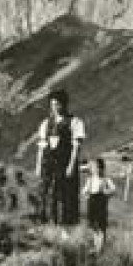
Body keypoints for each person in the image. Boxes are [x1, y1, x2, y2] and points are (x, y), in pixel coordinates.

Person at [34, 90, 86, 225]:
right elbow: (41, 147)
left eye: (57, 104)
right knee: (46, 192)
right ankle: (47, 223)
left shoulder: (74, 122)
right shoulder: (46, 123)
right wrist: (39, 165)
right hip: (49, 164)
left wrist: (71, 166)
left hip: (64, 164)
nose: (54, 107)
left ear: (64, 104)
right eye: (52, 104)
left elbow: (76, 147)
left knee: (66, 195)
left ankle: (66, 226)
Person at [82, 158, 117, 253]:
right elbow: (84, 191)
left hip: (101, 204)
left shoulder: (106, 179)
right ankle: (95, 245)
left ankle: (99, 248)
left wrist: (107, 193)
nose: (92, 169)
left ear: (100, 168)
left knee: (101, 226)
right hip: (92, 203)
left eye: (94, 167)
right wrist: (86, 195)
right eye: (92, 167)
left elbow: (114, 190)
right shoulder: (90, 179)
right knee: (94, 226)